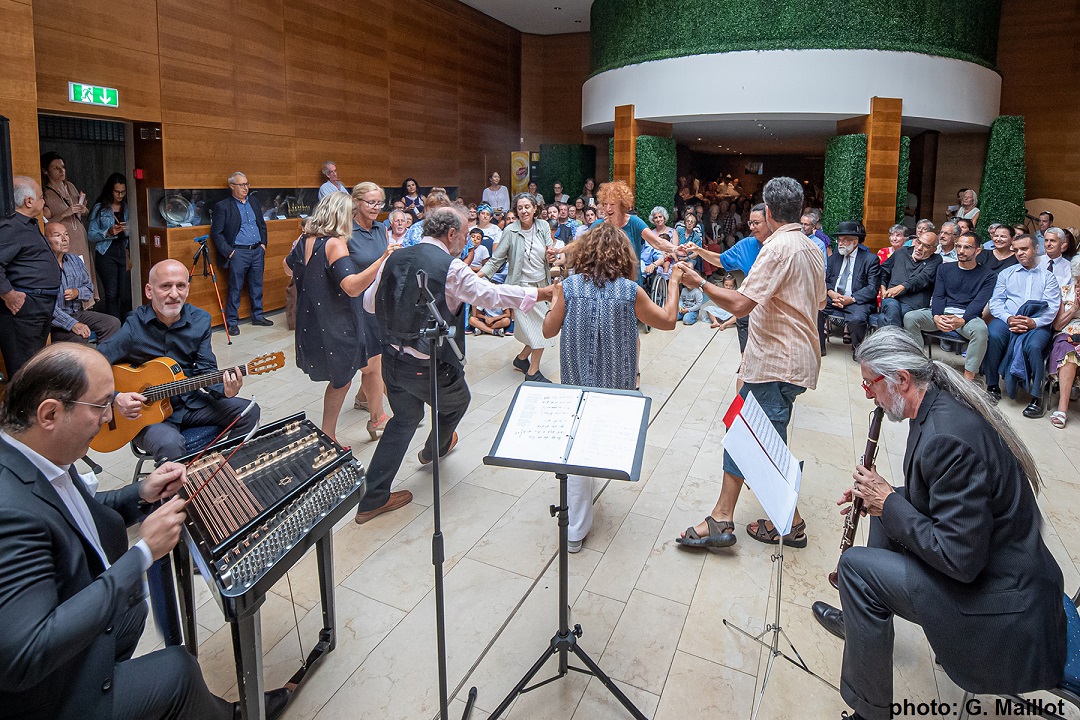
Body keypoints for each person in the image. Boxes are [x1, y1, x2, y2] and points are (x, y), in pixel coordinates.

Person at [0, 343, 277, 720]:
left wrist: (141, 493)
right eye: (100, 406)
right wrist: (143, 552)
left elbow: (82, 513)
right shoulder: (9, 511)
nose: (107, 418)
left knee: (132, 609)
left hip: (63, 624)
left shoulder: (40, 454)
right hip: (41, 699)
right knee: (179, 670)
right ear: (50, 413)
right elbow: (24, 655)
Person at [811, 327, 1065, 720]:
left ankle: (870, 712)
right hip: (994, 567)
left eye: (869, 383)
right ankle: (864, 621)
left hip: (1001, 604)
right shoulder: (934, 406)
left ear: (901, 379)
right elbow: (944, 500)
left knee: (855, 568)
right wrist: (884, 498)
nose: (866, 393)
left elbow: (960, 560)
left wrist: (891, 501)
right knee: (884, 516)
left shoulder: (948, 437)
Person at [354, 207, 554, 524]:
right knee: (457, 401)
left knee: (404, 418)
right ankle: (436, 446)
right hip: (426, 365)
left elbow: (368, 302)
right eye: (463, 234)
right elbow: (490, 296)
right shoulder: (451, 267)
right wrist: (538, 292)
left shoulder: (394, 256)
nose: (464, 240)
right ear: (450, 234)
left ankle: (373, 499)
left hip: (392, 361)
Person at [675, 177, 826, 549]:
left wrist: (700, 282)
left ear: (769, 212)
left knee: (761, 441)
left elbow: (742, 303)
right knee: (750, 434)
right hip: (793, 359)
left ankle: (785, 523)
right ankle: (725, 517)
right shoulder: (812, 248)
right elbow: (820, 302)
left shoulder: (776, 249)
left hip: (777, 360)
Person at [542, 222, 681, 550]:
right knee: (592, 448)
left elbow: (548, 331)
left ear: (585, 252)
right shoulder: (630, 291)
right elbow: (668, 320)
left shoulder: (570, 286)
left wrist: (554, 301)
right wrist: (673, 283)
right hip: (615, 392)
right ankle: (577, 523)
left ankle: (574, 530)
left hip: (576, 386)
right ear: (623, 255)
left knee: (576, 453)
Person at [98, 260, 260, 462]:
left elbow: (206, 369)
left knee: (249, 412)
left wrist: (225, 390)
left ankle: (221, 471)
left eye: (180, 286)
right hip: (145, 417)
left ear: (187, 289)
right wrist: (116, 397)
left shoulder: (200, 320)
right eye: (165, 286)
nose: (174, 294)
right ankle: (180, 491)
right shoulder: (134, 327)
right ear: (149, 291)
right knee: (170, 444)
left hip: (190, 403)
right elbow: (91, 366)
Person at [284, 192, 391, 442]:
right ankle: (328, 436)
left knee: (372, 364)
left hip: (315, 320)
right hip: (339, 321)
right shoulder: (334, 243)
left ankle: (378, 418)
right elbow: (352, 286)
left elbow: (287, 267)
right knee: (341, 379)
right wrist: (382, 260)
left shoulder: (305, 239)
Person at [478, 193, 557, 383]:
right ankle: (533, 372)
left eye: (527, 207)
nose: (523, 211)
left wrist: (551, 256)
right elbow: (496, 259)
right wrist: (477, 277)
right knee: (540, 330)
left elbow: (549, 251)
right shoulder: (510, 231)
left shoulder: (543, 226)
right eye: (520, 208)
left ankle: (522, 359)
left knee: (539, 328)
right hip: (520, 289)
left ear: (534, 208)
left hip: (542, 287)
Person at [982, 234, 1061, 417]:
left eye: (1024, 249)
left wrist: (1033, 322)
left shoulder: (1048, 277)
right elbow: (996, 302)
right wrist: (1009, 318)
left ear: (1036, 250)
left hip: (1037, 324)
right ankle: (992, 385)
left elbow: (1052, 307)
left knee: (1034, 346)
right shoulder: (1006, 274)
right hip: (1008, 320)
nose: (1019, 253)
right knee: (993, 335)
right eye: (1016, 250)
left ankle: (1036, 397)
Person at [903, 232, 995, 381]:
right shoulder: (945, 269)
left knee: (981, 330)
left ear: (977, 251)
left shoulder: (988, 275)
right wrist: (937, 316)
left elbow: (979, 302)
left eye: (967, 247)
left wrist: (963, 320)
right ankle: (918, 363)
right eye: (959, 246)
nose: (961, 251)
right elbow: (939, 295)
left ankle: (968, 377)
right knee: (910, 317)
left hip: (967, 317)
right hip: (943, 313)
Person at [348, 183, 398, 437]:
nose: (376, 208)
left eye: (380, 203)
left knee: (374, 358)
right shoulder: (346, 231)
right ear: (356, 202)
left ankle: (364, 398)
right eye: (371, 203)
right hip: (354, 303)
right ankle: (378, 417)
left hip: (377, 302)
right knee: (372, 361)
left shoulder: (381, 228)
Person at [0, 176, 62, 378]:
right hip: (24, 307)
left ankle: (31, 409)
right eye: (41, 197)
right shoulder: (11, 227)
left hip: (41, 306)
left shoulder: (29, 224)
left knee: (34, 366)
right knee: (23, 371)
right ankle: (19, 410)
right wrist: (9, 294)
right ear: (28, 201)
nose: (44, 202)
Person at [210, 172, 272, 335]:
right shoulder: (223, 206)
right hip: (238, 252)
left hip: (257, 250)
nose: (246, 188)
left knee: (257, 284)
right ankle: (232, 321)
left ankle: (258, 315)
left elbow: (261, 224)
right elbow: (217, 233)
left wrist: (263, 244)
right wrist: (230, 252)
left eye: (247, 184)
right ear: (232, 186)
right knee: (235, 287)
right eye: (242, 185)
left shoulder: (253, 201)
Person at [45, 222, 120, 345]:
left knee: (112, 323)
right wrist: (72, 324)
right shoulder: (43, 265)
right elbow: (46, 306)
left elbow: (89, 288)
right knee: (80, 336)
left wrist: (77, 292)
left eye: (66, 234)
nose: (64, 239)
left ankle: (103, 359)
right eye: (57, 235)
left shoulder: (75, 260)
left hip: (77, 312)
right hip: (54, 320)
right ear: (46, 240)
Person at [821, 221, 881, 356]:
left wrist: (851, 299)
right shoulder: (834, 257)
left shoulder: (870, 259)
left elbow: (872, 288)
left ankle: (858, 349)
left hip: (856, 300)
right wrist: (831, 293)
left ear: (855, 241)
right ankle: (819, 347)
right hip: (834, 298)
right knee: (815, 308)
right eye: (839, 240)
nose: (840, 243)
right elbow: (825, 280)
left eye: (845, 240)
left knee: (857, 318)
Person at [40, 151, 95, 297]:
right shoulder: (45, 192)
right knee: (70, 270)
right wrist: (65, 212)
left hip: (79, 236)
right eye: (56, 168)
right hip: (64, 238)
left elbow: (84, 212)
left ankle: (87, 302)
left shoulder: (70, 186)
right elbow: (44, 223)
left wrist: (83, 210)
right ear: (46, 171)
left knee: (85, 270)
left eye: (63, 167)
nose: (61, 170)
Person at [87, 173, 132, 320]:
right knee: (111, 293)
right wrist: (108, 232)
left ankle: (126, 326)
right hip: (106, 252)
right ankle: (114, 328)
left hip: (122, 250)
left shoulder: (128, 207)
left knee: (124, 293)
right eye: (117, 192)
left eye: (123, 192)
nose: (120, 195)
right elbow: (91, 234)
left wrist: (128, 230)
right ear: (110, 191)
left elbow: (137, 232)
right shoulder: (101, 208)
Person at [877, 231, 942, 327]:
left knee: (884, 318)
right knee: (892, 307)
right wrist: (883, 288)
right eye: (919, 242)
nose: (919, 248)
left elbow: (922, 279)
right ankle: (896, 341)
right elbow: (883, 270)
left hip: (913, 304)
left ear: (934, 249)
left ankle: (889, 340)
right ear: (915, 241)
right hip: (891, 299)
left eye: (926, 246)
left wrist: (901, 287)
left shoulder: (936, 259)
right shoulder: (902, 252)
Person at [1043, 227, 1074, 293]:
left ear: (1061, 244)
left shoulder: (1070, 269)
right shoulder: (1034, 262)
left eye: (1052, 241)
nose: (1048, 244)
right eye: (1046, 240)